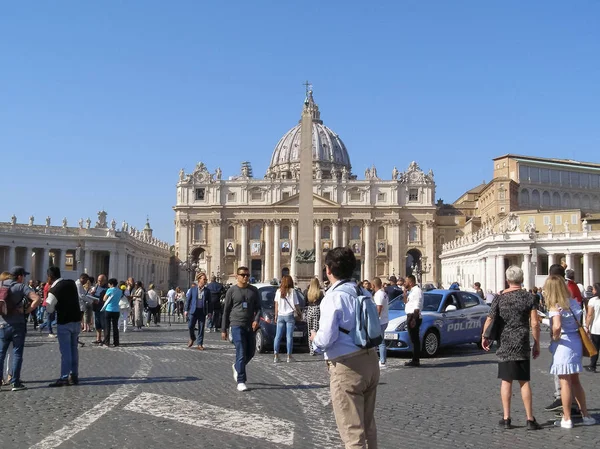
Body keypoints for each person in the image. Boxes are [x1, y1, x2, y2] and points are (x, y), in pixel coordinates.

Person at [309, 247, 379, 448]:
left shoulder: (333, 297)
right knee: (368, 426)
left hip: (348, 367)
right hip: (370, 360)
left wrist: (315, 338)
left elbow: (327, 338)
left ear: (328, 270)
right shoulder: (363, 291)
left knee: (352, 434)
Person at [481, 266, 542, 430]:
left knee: (506, 380)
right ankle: (530, 419)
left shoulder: (499, 298)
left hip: (505, 342)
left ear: (507, 280)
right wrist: (536, 343)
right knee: (524, 381)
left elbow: (489, 319)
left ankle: (506, 418)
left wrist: (484, 337)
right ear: (521, 280)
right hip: (521, 341)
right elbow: (535, 323)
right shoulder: (530, 297)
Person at [544, 275, 596, 428]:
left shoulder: (555, 306)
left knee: (564, 382)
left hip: (564, 344)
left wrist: (554, 336)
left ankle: (566, 418)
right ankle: (585, 415)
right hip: (576, 342)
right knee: (575, 381)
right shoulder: (573, 302)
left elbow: (557, 325)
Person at [0, 267, 41, 391]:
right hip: (17, 324)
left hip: (2, 324)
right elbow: (37, 299)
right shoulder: (20, 287)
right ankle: (15, 382)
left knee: (1, 353)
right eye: (23, 276)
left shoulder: (1, 284)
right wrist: (26, 310)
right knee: (17, 353)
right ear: (19, 276)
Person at [221, 266, 261, 392]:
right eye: (243, 275)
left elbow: (259, 308)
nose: (245, 277)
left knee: (251, 352)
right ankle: (241, 380)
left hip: (249, 325)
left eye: (247, 275)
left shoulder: (254, 290)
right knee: (241, 350)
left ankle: (237, 366)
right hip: (236, 324)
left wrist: (256, 320)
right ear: (237, 276)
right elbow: (226, 310)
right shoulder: (231, 291)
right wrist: (224, 329)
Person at [45, 267, 81, 387]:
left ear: (50, 277)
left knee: (65, 351)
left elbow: (49, 308)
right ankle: (74, 375)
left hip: (64, 322)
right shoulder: (71, 283)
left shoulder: (54, 290)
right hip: (76, 320)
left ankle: (64, 377)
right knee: (74, 349)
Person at [273, 275, 301, 363]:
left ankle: (276, 356)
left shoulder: (278, 291)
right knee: (289, 337)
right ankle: (289, 356)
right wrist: (299, 313)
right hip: (289, 315)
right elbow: (296, 305)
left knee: (277, 336)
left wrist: (276, 315)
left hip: (280, 315)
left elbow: (276, 304)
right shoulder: (292, 291)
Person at [403, 275, 423, 367]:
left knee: (415, 339)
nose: (404, 283)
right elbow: (406, 302)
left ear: (410, 282)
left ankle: (416, 360)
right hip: (410, 316)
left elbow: (417, 306)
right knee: (413, 338)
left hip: (413, 316)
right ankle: (414, 359)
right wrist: (404, 292)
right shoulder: (411, 291)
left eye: (406, 281)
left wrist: (414, 319)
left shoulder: (417, 291)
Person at [185, 274, 209, 350]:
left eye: (206, 279)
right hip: (193, 310)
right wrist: (186, 310)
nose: (205, 281)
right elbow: (188, 300)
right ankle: (192, 338)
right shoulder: (193, 289)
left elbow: (210, 302)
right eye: (204, 279)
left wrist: (210, 312)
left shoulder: (207, 291)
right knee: (190, 326)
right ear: (199, 280)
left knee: (201, 328)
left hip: (202, 311)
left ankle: (200, 344)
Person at [372, 277, 389, 369]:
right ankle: (376, 360)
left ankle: (382, 361)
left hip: (380, 320)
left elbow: (379, 308)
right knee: (376, 342)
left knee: (380, 342)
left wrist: (374, 319)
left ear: (373, 285)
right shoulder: (384, 293)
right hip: (384, 319)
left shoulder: (378, 295)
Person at [100, 278, 122, 347]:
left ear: (111, 284)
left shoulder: (109, 290)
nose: (108, 285)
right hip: (116, 310)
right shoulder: (120, 291)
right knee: (115, 327)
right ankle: (116, 342)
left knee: (107, 327)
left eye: (109, 284)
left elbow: (104, 298)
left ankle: (107, 342)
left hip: (109, 309)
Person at [305, 278, 323, 356]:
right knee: (316, 329)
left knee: (309, 329)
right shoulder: (320, 293)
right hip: (317, 310)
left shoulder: (307, 292)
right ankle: (316, 348)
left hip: (309, 310)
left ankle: (311, 350)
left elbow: (304, 302)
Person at [585, 283, 600, 373]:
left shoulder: (593, 300)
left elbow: (589, 315)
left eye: (593, 289)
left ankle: (593, 366)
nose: (592, 291)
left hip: (596, 328)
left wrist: (587, 326)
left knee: (595, 348)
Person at [90, 275, 108, 344]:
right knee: (97, 324)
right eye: (98, 280)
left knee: (103, 324)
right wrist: (92, 294)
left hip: (103, 308)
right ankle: (98, 338)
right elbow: (92, 295)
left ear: (104, 281)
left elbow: (107, 299)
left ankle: (105, 339)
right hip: (96, 307)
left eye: (101, 280)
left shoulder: (106, 288)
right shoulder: (96, 286)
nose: (99, 282)